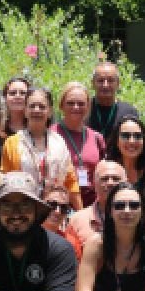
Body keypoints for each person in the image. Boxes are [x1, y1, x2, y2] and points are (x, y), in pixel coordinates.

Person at [0, 87, 82, 208]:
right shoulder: (12, 142)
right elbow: (5, 180)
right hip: (24, 208)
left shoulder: (59, 141)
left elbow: (71, 182)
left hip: (56, 208)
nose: (36, 110)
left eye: (42, 106)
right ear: (25, 110)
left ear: (49, 111)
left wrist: (80, 213)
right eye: (32, 106)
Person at [53, 81, 107, 209]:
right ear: (61, 106)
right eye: (70, 103)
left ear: (88, 107)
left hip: (92, 205)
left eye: (81, 104)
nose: (76, 107)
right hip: (60, 206)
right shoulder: (51, 135)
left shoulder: (96, 137)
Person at [68, 160, 126, 249]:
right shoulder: (77, 220)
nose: (110, 183)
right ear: (94, 184)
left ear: (126, 183)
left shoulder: (144, 214)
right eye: (104, 179)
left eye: (116, 179)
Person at [105, 113, 145, 197]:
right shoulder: (107, 169)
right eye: (125, 136)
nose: (132, 141)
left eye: (137, 136)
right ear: (116, 141)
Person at [0, 76, 32, 171]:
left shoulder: (36, 130)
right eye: (12, 93)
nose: (18, 96)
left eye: (23, 93)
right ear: (5, 98)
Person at [87, 61, 138, 137]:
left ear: (118, 84)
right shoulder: (84, 109)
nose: (105, 85)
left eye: (110, 80)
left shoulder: (129, 112)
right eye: (100, 80)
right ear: (93, 83)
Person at [41, 184, 83, 261]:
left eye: (64, 207)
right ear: (40, 204)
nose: (57, 211)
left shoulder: (71, 243)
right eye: (52, 205)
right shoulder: (26, 237)